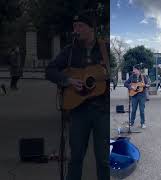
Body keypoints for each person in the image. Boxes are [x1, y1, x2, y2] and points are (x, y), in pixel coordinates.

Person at [45, 11, 109, 180]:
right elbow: (50, 70)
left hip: (102, 110)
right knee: (75, 158)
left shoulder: (104, 49)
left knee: (103, 159)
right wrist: (68, 80)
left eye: (80, 26)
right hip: (78, 110)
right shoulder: (70, 51)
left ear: (91, 29)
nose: (76, 29)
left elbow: (110, 77)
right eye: (74, 26)